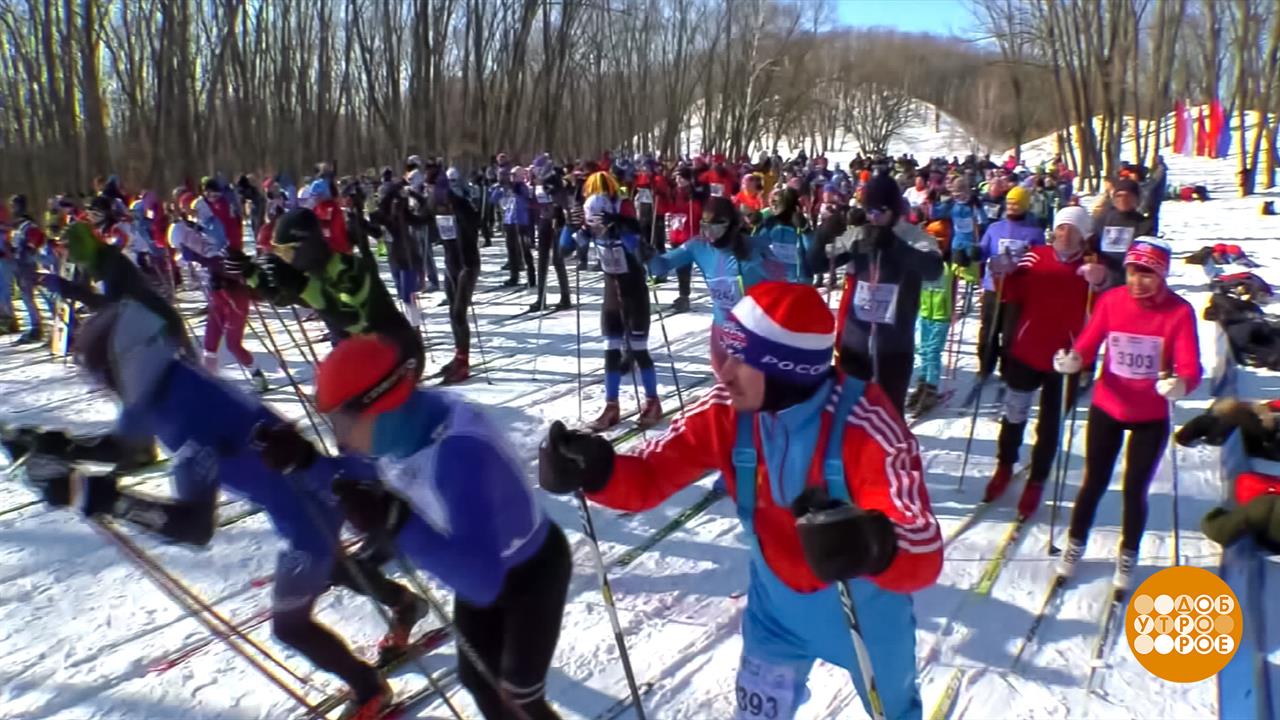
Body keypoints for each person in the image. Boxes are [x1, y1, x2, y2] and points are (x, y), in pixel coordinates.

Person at [8, 299, 427, 720]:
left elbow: (194, 527)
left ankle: (369, 688)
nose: (104, 386)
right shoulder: (167, 383)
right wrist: (54, 444)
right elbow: (126, 447)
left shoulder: (184, 413)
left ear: (129, 365)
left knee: (290, 625)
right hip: (301, 492)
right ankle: (403, 604)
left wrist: (97, 497)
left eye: (106, 376)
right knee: (333, 566)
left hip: (308, 506)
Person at [539, 281, 941, 720]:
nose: (722, 372)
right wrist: (597, 471)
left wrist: (872, 543)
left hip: (864, 617)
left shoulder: (866, 424)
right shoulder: (726, 410)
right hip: (777, 615)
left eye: (740, 360)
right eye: (722, 354)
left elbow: (922, 543)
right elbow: (652, 475)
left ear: (787, 368)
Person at [257, 333, 571, 720]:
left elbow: (481, 580)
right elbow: (351, 484)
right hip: (479, 568)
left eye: (341, 420)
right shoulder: (401, 430)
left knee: (519, 694)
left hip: (529, 573)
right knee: (479, 681)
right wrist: (304, 461)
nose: (338, 436)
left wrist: (398, 522)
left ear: (378, 405)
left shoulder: (461, 453)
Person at [1052, 238, 1201, 589]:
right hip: (1109, 405)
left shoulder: (1178, 312)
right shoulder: (1111, 301)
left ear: (1162, 275)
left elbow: (1190, 366)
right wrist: (1074, 359)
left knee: (1135, 488)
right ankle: (1074, 545)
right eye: (1134, 272)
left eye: (1148, 274)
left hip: (1151, 414)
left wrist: (1180, 384)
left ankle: (1128, 554)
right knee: (1094, 482)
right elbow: (1088, 344)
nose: (1138, 282)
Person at [981, 206, 1106, 517]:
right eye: (1061, 228)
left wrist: (1101, 282)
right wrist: (1001, 272)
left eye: (1072, 230)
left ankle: (1036, 481)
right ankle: (1004, 465)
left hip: (1064, 359)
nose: (1064, 235)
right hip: (1026, 350)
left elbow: (1103, 313)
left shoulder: (1090, 269)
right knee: (1014, 415)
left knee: (1050, 426)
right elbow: (1010, 294)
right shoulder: (1035, 256)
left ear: (1083, 237)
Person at [823, 172, 944, 413]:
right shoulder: (860, 233)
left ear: (894, 209)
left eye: (879, 211)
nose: (873, 217)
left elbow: (934, 270)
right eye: (869, 211)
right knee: (847, 415)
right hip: (856, 341)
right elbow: (820, 259)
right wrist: (828, 228)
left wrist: (895, 246)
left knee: (889, 413)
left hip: (894, 345)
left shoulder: (913, 236)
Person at [564, 188, 662, 430]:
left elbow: (646, 254)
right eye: (590, 223)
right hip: (611, 300)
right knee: (610, 352)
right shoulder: (591, 232)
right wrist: (569, 227)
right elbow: (563, 250)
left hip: (635, 298)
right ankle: (611, 405)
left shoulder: (623, 231)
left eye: (597, 223)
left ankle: (653, 401)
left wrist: (625, 229)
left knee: (639, 351)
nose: (594, 228)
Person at [645, 196, 776, 374]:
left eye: (715, 226)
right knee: (726, 387)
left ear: (730, 224)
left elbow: (783, 281)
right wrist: (640, 248)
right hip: (722, 331)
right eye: (704, 226)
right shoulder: (698, 247)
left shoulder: (754, 247)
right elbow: (659, 267)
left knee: (750, 392)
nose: (709, 234)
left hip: (756, 333)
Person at [975, 185, 1045, 379]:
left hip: (1017, 290)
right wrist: (974, 253)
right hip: (994, 286)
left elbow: (1040, 259)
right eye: (1010, 203)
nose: (1012, 207)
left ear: (1025, 206)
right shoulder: (995, 228)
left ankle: (1008, 369)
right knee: (989, 329)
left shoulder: (1034, 232)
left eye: (1017, 204)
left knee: (1010, 333)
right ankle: (985, 366)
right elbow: (984, 250)